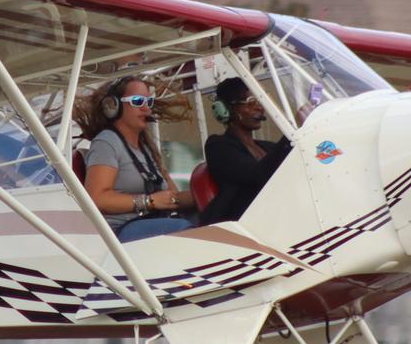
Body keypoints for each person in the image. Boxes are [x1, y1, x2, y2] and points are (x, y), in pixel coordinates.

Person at [79, 74, 194, 242]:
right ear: (113, 106)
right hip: (120, 231)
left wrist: (203, 196)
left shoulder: (146, 148)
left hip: (152, 221)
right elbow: (97, 198)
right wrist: (148, 201)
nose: (146, 108)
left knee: (211, 223)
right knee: (186, 232)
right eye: (138, 101)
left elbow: (172, 196)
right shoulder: (106, 142)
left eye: (149, 102)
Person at [200, 76, 293, 226]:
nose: (259, 107)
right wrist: (290, 136)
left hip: (278, 218)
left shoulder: (267, 147)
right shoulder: (217, 145)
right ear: (226, 109)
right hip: (243, 226)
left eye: (259, 101)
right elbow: (256, 174)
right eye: (250, 102)